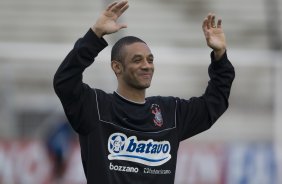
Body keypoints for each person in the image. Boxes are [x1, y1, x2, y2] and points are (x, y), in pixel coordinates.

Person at [53, 1, 235, 183]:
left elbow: (214, 103)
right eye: (137, 60)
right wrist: (94, 36)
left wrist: (220, 56)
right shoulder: (95, 107)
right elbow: (65, 81)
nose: (147, 66)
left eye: (150, 60)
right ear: (117, 67)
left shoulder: (169, 111)